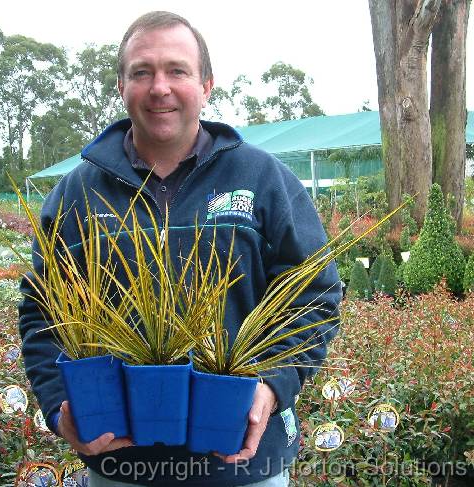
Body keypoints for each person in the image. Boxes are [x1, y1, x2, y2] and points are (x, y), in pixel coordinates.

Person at [18, 11, 341, 487]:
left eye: (177, 70)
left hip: (244, 465)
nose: (159, 87)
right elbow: (42, 311)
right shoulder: (76, 193)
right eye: (142, 72)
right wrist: (56, 407)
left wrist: (274, 384)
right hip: (121, 466)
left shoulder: (262, 178)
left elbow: (314, 295)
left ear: (207, 85)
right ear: (121, 86)